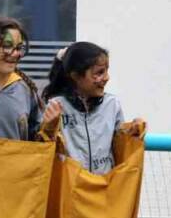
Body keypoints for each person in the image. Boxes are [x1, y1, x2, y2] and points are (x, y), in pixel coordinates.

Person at [42, 41, 144, 173]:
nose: (107, 78)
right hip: (71, 184)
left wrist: (132, 131)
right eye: (99, 72)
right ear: (76, 76)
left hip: (104, 183)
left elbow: (120, 146)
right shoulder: (56, 106)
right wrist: (49, 128)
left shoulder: (112, 105)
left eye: (106, 71)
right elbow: (44, 152)